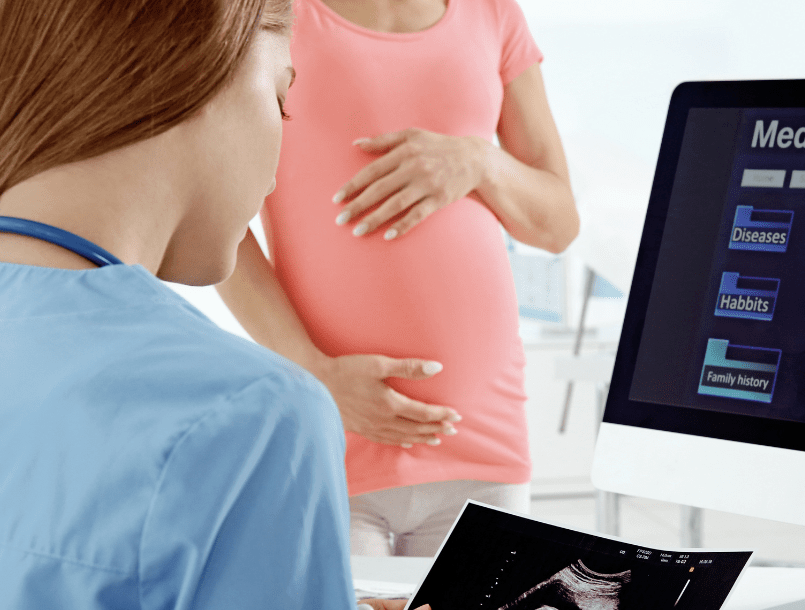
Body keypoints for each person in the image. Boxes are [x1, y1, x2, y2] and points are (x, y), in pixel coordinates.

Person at [0, 1, 718, 610]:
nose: (277, 160)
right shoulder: (241, 418)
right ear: (191, 74)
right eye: (282, 97)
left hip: (481, 441)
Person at [217, 0, 579, 558]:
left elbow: (557, 223)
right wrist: (314, 373)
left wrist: (479, 161)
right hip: (335, 439)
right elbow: (211, 216)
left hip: (485, 445)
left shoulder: (492, 12)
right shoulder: (267, 14)